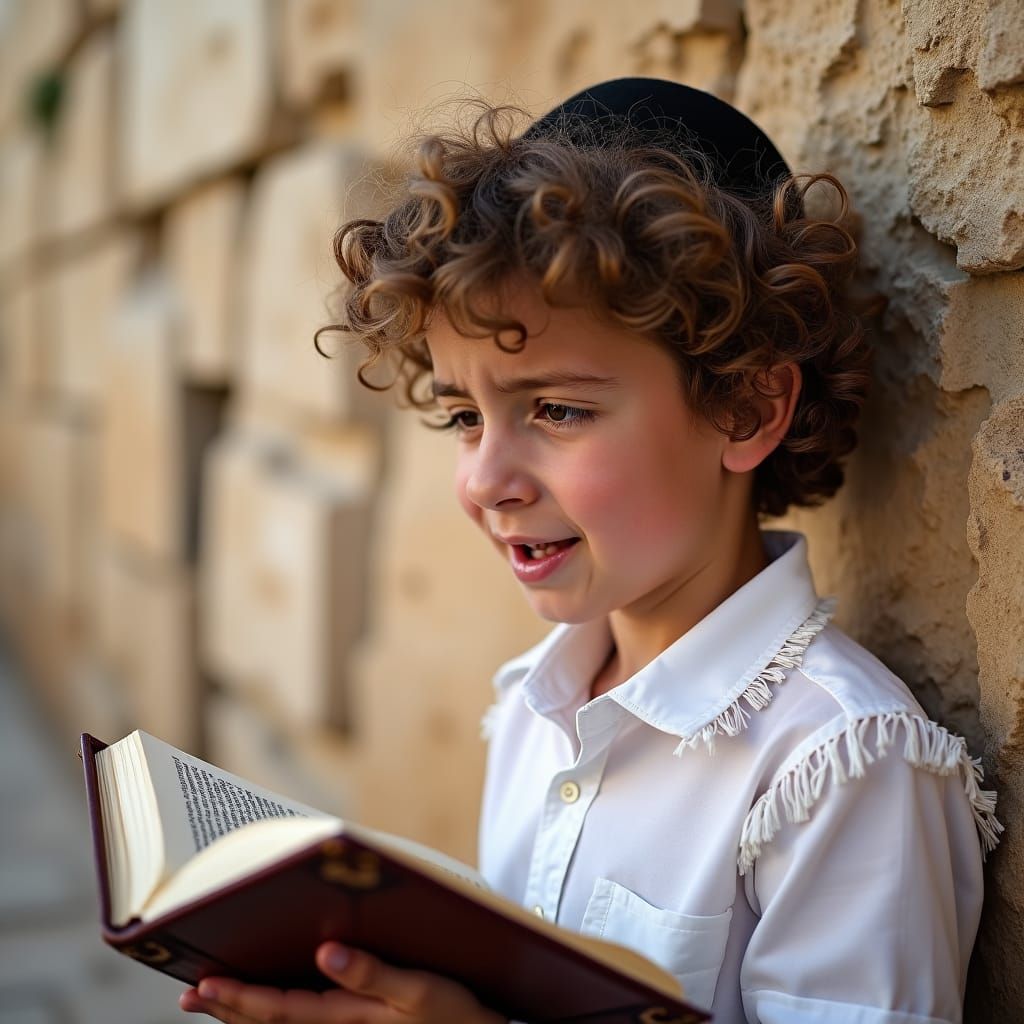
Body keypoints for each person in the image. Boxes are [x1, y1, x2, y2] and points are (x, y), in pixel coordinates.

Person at [180, 78, 1002, 1024]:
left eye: (557, 409)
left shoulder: (840, 766)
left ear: (746, 407)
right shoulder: (532, 704)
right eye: (462, 415)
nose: (487, 481)